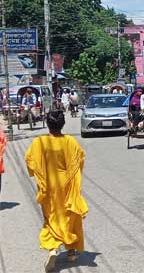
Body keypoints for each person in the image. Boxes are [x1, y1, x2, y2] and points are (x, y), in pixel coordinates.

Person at [25, 110, 88, 271]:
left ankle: (53, 248)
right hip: (66, 185)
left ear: (48, 124)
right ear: (62, 124)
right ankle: (71, 252)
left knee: (51, 216)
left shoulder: (40, 142)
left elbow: (30, 161)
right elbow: (79, 158)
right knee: (70, 216)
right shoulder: (70, 141)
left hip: (49, 186)